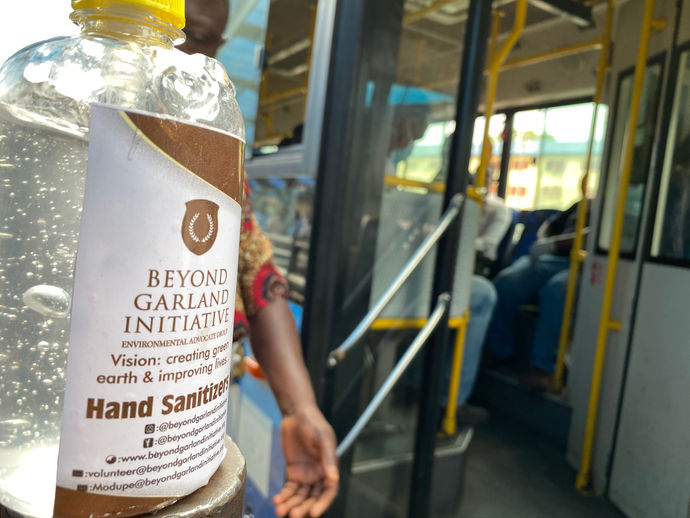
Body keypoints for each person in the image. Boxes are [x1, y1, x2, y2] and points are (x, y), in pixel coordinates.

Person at [179, 2, 338, 517]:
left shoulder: (212, 152)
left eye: (194, 39)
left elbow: (257, 272)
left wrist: (301, 408)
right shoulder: (56, 124)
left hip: (191, 417)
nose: (171, 53)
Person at [485, 200, 589, 389]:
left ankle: (544, 368)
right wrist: (545, 242)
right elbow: (551, 225)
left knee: (556, 292)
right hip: (554, 258)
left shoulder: (623, 208)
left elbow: (593, 237)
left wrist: (554, 244)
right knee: (507, 282)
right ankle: (498, 347)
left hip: (587, 265)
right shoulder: (585, 203)